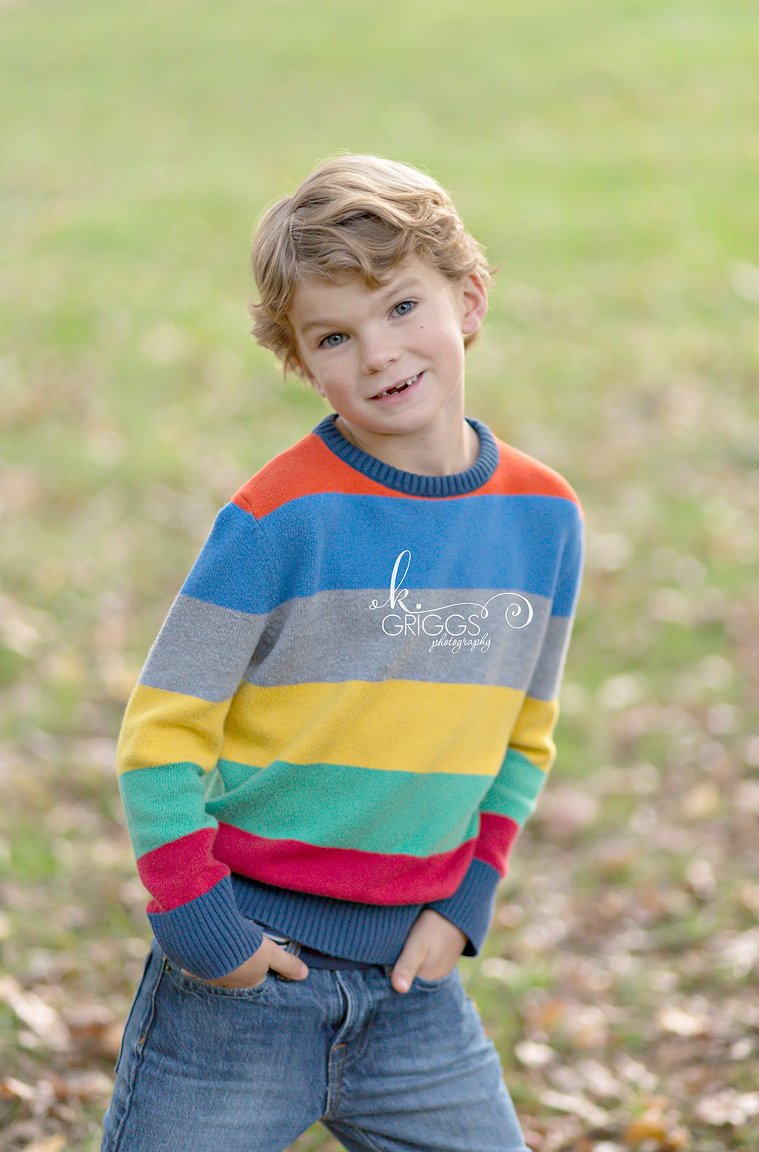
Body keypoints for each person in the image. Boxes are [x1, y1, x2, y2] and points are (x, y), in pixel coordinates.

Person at [101, 154, 583, 1152]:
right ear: (301, 362)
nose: (378, 353)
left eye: (403, 306)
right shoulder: (279, 519)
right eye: (335, 334)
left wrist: (469, 897)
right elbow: (161, 732)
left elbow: (526, 735)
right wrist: (200, 923)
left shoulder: (545, 518)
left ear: (470, 300)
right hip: (239, 976)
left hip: (414, 985)